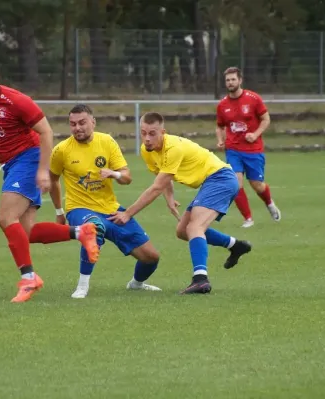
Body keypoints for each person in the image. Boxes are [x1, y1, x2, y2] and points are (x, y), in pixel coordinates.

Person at [0, 56, 99, 303]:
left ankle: (29, 279)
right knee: (25, 233)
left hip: (28, 160)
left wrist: (42, 171)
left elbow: (46, 131)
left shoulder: (16, 101)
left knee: (5, 218)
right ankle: (82, 232)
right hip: (11, 165)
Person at [108, 112, 252, 294]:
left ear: (163, 132)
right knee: (183, 231)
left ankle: (200, 279)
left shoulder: (173, 147)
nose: (147, 139)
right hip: (211, 182)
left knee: (194, 228)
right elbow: (164, 178)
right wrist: (169, 200)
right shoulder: (148, 151)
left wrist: (128, 213)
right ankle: (235, 245)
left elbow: (155, 188)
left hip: (221, 178)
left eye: (152, 133)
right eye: (143, 133)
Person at [49, 104, 161, 299]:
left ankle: (136, 284)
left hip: (111, 210)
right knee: (93, 227)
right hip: (79, 209)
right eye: (73, 124)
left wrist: (114, 174)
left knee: (151, 257)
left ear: (93, 122)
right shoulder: (61, 150)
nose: (78, 128)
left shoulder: (107, 142)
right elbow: (52, 180)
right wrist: (59, 211)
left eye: (82, 122)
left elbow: (127, 178)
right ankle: (82, 286)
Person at [216, 66, 281, 228]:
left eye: (233, 79)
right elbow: (220, 126)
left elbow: (266, 119)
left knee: (257, 185)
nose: (230, 82)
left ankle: (269, 203)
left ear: (240, 80)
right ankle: (248, 218)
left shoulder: (253, 99)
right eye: (227, 80)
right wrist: (220, 140)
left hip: (253, 150)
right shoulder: (223, 104)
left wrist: (256, 134)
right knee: (235, 184)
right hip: (233, 149)